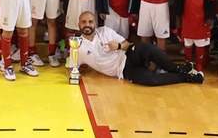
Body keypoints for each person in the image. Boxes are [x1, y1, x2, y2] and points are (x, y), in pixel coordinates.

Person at [68, 10, 202, 87]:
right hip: (124, 71)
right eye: (84, 22)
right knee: (150, 80)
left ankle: (178, 68)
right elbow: (72, 68)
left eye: (90, 22)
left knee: (149, 48)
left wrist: (118, 46)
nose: (87, 25)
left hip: (128, 55)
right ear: (78, 24)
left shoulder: (105, 31)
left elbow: (127, 44)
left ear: (95, 23)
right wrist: (74, 73)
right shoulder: (76, 46)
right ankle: (185, 77)